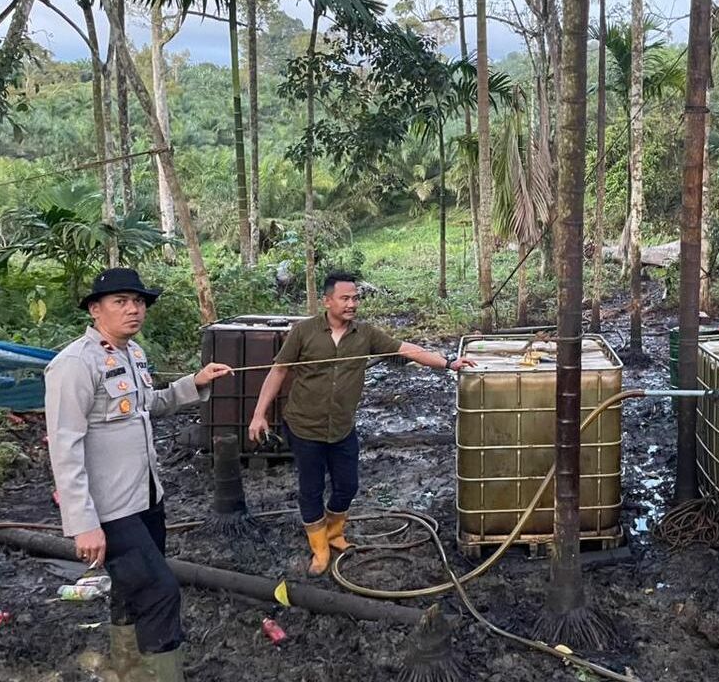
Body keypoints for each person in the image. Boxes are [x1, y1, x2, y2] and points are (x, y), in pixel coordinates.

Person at [45, 268, 234, 682]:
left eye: (139, 302)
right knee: (160, 591)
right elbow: (64, 447)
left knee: (132, 588)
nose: (134, 310)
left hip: (147, 496)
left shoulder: (132, 355)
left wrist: (194, 382)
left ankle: (129, 669)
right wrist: (83, 523)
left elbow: (150, 405)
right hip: (110, 508)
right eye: (121, 302)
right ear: (95, 310)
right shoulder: (74, 365)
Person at [248, 271, 473, 575]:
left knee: (348, 486)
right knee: (310, 489)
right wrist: (259, 414)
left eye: (355, 298)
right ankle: (319, 549)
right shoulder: (303, 332)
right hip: (304, 426)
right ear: (327, 301)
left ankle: (334, 533)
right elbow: (278, 371)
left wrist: (448, 363)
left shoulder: (364, 334)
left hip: (341, 426)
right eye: (345, 298)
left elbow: (407, 349)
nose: (352, 304)